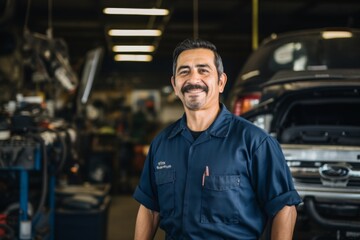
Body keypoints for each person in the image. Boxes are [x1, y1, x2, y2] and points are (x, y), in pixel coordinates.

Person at [133, 38, 302, 240]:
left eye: (203, 70)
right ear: (175, 85)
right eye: (184, 71)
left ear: (221, 82)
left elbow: (284, 208)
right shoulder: (162, 143)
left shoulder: (255, 143)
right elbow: (150, 209)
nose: (193, 79)